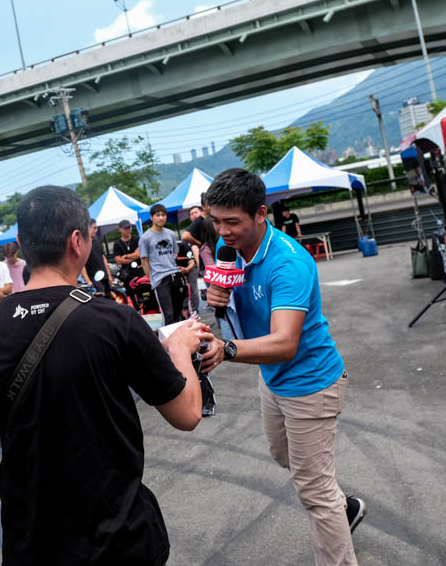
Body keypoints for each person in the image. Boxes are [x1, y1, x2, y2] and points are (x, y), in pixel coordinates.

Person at [0, 185, 216, 565]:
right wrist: (180, 350)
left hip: (33, 546)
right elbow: (186, 415)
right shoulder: (114, 320)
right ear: (78, 242)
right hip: (121, 540)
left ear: (22, 243)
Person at [203, 168, 366, 566]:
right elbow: (242, 322)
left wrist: (226, 349)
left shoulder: (287, 263)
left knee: (313, 490)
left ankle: (335, 529)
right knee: (284, 456)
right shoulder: (233, 255)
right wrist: (218, 302)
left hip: (311, 383)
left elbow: (284, 342)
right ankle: (344, 509)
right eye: (215, 221)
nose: (222, 231)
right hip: (272, 381)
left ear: (260, 213)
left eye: (232, 222)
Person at [140, 204, 183, 325]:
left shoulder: (170, 234)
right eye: (157, 215)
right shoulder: (145, 238)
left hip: (175, 276)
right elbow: (144, 262)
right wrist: (153, 279)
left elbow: (174, 255)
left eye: (163, 215)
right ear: (151, 217)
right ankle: (167, 342)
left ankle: (180, 341)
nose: (161, 218)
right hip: (160, 280)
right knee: (168, 314)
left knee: (177, 312)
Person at [112, 219, 144, 307]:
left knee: (142, 292)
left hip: (139, 271)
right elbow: (118, 260)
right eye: (125, 228)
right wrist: (132, 257)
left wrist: (125, 256)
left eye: (129, 228)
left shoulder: (137, 239)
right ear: (120, 229)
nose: (128, 230)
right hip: (127, 274)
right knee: (132, 295)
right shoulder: (117, 243)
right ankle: (137, 310)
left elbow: (139, 254)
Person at [183, 193, 219, 269]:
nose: (194, 215)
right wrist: (198, 243)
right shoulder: (199, 221)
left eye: (195, 213)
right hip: (208, 261)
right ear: (203, 207)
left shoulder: (215, 217)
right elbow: (185, 236)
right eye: (191, 214)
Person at [80, 220, 113, 296]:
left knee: (109, 299)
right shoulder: (82, 245)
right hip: (94, 280)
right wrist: (88, 281)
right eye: (94, 228)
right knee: (102, 302)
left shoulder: (97, 241)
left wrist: (109, 275)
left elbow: (103, 258)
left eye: (96, 228)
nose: (96, 230)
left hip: (105, 277)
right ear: (87, 228)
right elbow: (82, 265)